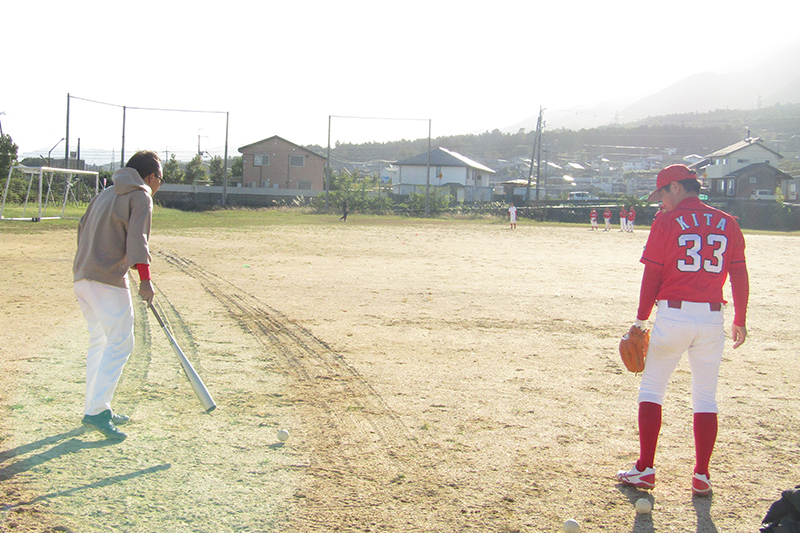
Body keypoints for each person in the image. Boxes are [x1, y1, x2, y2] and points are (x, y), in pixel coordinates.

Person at [616, 164, 749, 497]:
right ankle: (702, 475)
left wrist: (640, 320)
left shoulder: (666, 221)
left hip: (673, 315)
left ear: (675, 187)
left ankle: (645, 469)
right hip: (711, 319)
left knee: (651, 390)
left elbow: (653, 275)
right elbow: (739, 275)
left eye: (662, 193)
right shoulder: (729, 223)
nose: (660, 201)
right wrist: (741, 319)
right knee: (705, 397)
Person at [73, 151, 163, 441]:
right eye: (160, 178)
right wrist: (145, 281)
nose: (159, 184)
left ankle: (96, 406)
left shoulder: (105, 193)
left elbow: (82, 228)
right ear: (150, 177)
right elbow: (139, 240)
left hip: (82, 278)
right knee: (122, 341)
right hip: (107, 281)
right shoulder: (142, 196)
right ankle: (97, 410)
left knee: (100, 341)